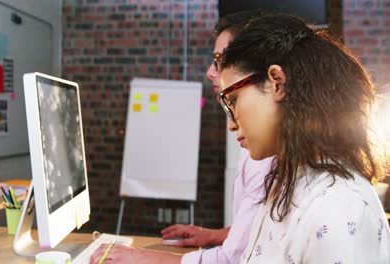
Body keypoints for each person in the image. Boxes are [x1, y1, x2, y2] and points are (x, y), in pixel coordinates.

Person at [90, 11, 273, 264]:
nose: (211, 72)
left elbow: (234, 259)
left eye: (219, 60)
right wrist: (213, 235)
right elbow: (258, 234)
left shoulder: (266, 153)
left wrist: (147, 258)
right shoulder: (254, 142)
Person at [216, 14, 389, 263]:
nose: (232, 123)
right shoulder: (287, 185)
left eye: (232, 100)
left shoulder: (337, 206)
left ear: (277, 82)